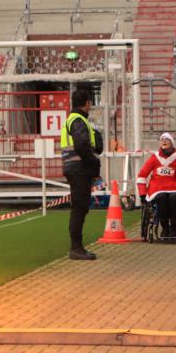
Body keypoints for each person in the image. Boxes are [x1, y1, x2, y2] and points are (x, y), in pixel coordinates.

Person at [61, 88, 104, 260]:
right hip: (79, 169)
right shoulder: (78, 121)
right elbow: (81, 145)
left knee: (80, 208)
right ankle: (76, 248)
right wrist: (94, 163)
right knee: (79, 208)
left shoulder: (74, 119)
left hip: (75, 168)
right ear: (87, 103)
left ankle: (77, 247)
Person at [137, 133, 176, 240]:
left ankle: (174, 228)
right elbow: (142, 175)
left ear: (172, 143)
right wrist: (142, 194)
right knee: (161, 197)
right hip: (157, 189)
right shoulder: (154, 158)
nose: (164, 141)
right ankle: (165, 227)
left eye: (167, 139)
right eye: (162, 139)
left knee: (174, 197)